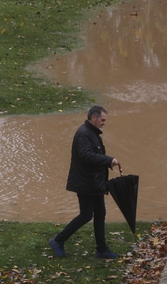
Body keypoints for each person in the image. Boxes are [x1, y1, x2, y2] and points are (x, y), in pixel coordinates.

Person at [49, 105, 121, 259]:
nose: (104, 123)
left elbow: (92, 156)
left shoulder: (92, 133)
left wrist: (106, 164)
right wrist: (109, 160)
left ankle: (101, 250)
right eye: (102, 120)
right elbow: (86, 155)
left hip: (95, 182)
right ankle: (58, 240)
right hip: (86, 183)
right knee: (86, 215)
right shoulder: (84, 134)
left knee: (100, 214)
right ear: (93, 118)